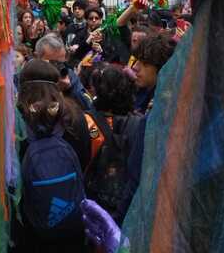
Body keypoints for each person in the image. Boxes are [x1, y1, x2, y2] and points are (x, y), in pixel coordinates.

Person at [15, 59, 88, 252]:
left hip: (31, 227)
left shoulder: (15, 121)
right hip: (73, 221)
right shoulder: (75, 116)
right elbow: (84, 160)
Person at [84, 66, 141, 221]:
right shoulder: (140, 123)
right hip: (128, 200)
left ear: (96, 92)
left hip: (94, 200)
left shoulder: (86, 122)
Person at [35, 33, 92, 114]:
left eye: (62, 63)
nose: (59, 67)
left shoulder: (67, 74)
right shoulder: (29, 79)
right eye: (54, 63)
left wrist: (69, 89)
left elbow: (88, 107)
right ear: (39, 59)